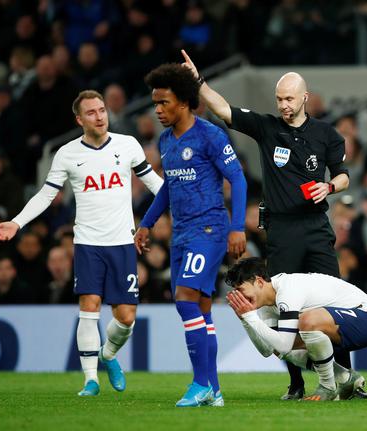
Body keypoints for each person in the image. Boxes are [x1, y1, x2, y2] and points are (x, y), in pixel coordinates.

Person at [179, 50, 364, 400]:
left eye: (290, 98)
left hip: (316, 227)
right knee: (282, 306)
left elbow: (343, 176)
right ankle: (296, 383)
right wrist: (198, 82)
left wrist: (329, 186)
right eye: (279, 98)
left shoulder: (326, 134)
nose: (284, 104)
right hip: (281, 230)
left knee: (334, 303)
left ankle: (347, 381)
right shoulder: (267, 127)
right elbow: (224, 110)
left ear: (304, 97)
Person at [0, 90, 164, 397]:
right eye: (92, 112)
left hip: (122, 242)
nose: (99, 116)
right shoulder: (67, 154)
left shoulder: (127, 145)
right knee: (90, 308)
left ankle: (107, 355)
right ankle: (90, 380)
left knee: (126, 318)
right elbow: (46, 195)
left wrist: (190, 201)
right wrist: (17, 222)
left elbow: (156, 185)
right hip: (87, 244)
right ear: (79, 119)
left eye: (102, 110)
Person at [134, 62, 247, 408]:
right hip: (181, 234)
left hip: (209, 229)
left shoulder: (211, 135)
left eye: (164, 103)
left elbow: (238, 180)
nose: (158, 110)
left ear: (184, 102)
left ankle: (199, 384)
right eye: (154, 104)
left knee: (184, 299)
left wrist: (237, 227)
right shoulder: (167, 141)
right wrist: (147, 223)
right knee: (200, 308)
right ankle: (214, 389)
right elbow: (168, 188)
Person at [224, 257, 367, 401]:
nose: (240, 297)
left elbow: (284, 344)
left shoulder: (287, 289)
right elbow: (268, 349)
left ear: (259, 282)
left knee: (307, 321)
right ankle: (345, 378)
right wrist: (246, 319)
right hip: (344, 325)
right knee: (276, 340)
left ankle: (327, 387)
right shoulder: (267, 303)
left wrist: (251, 317)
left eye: (241, 290)